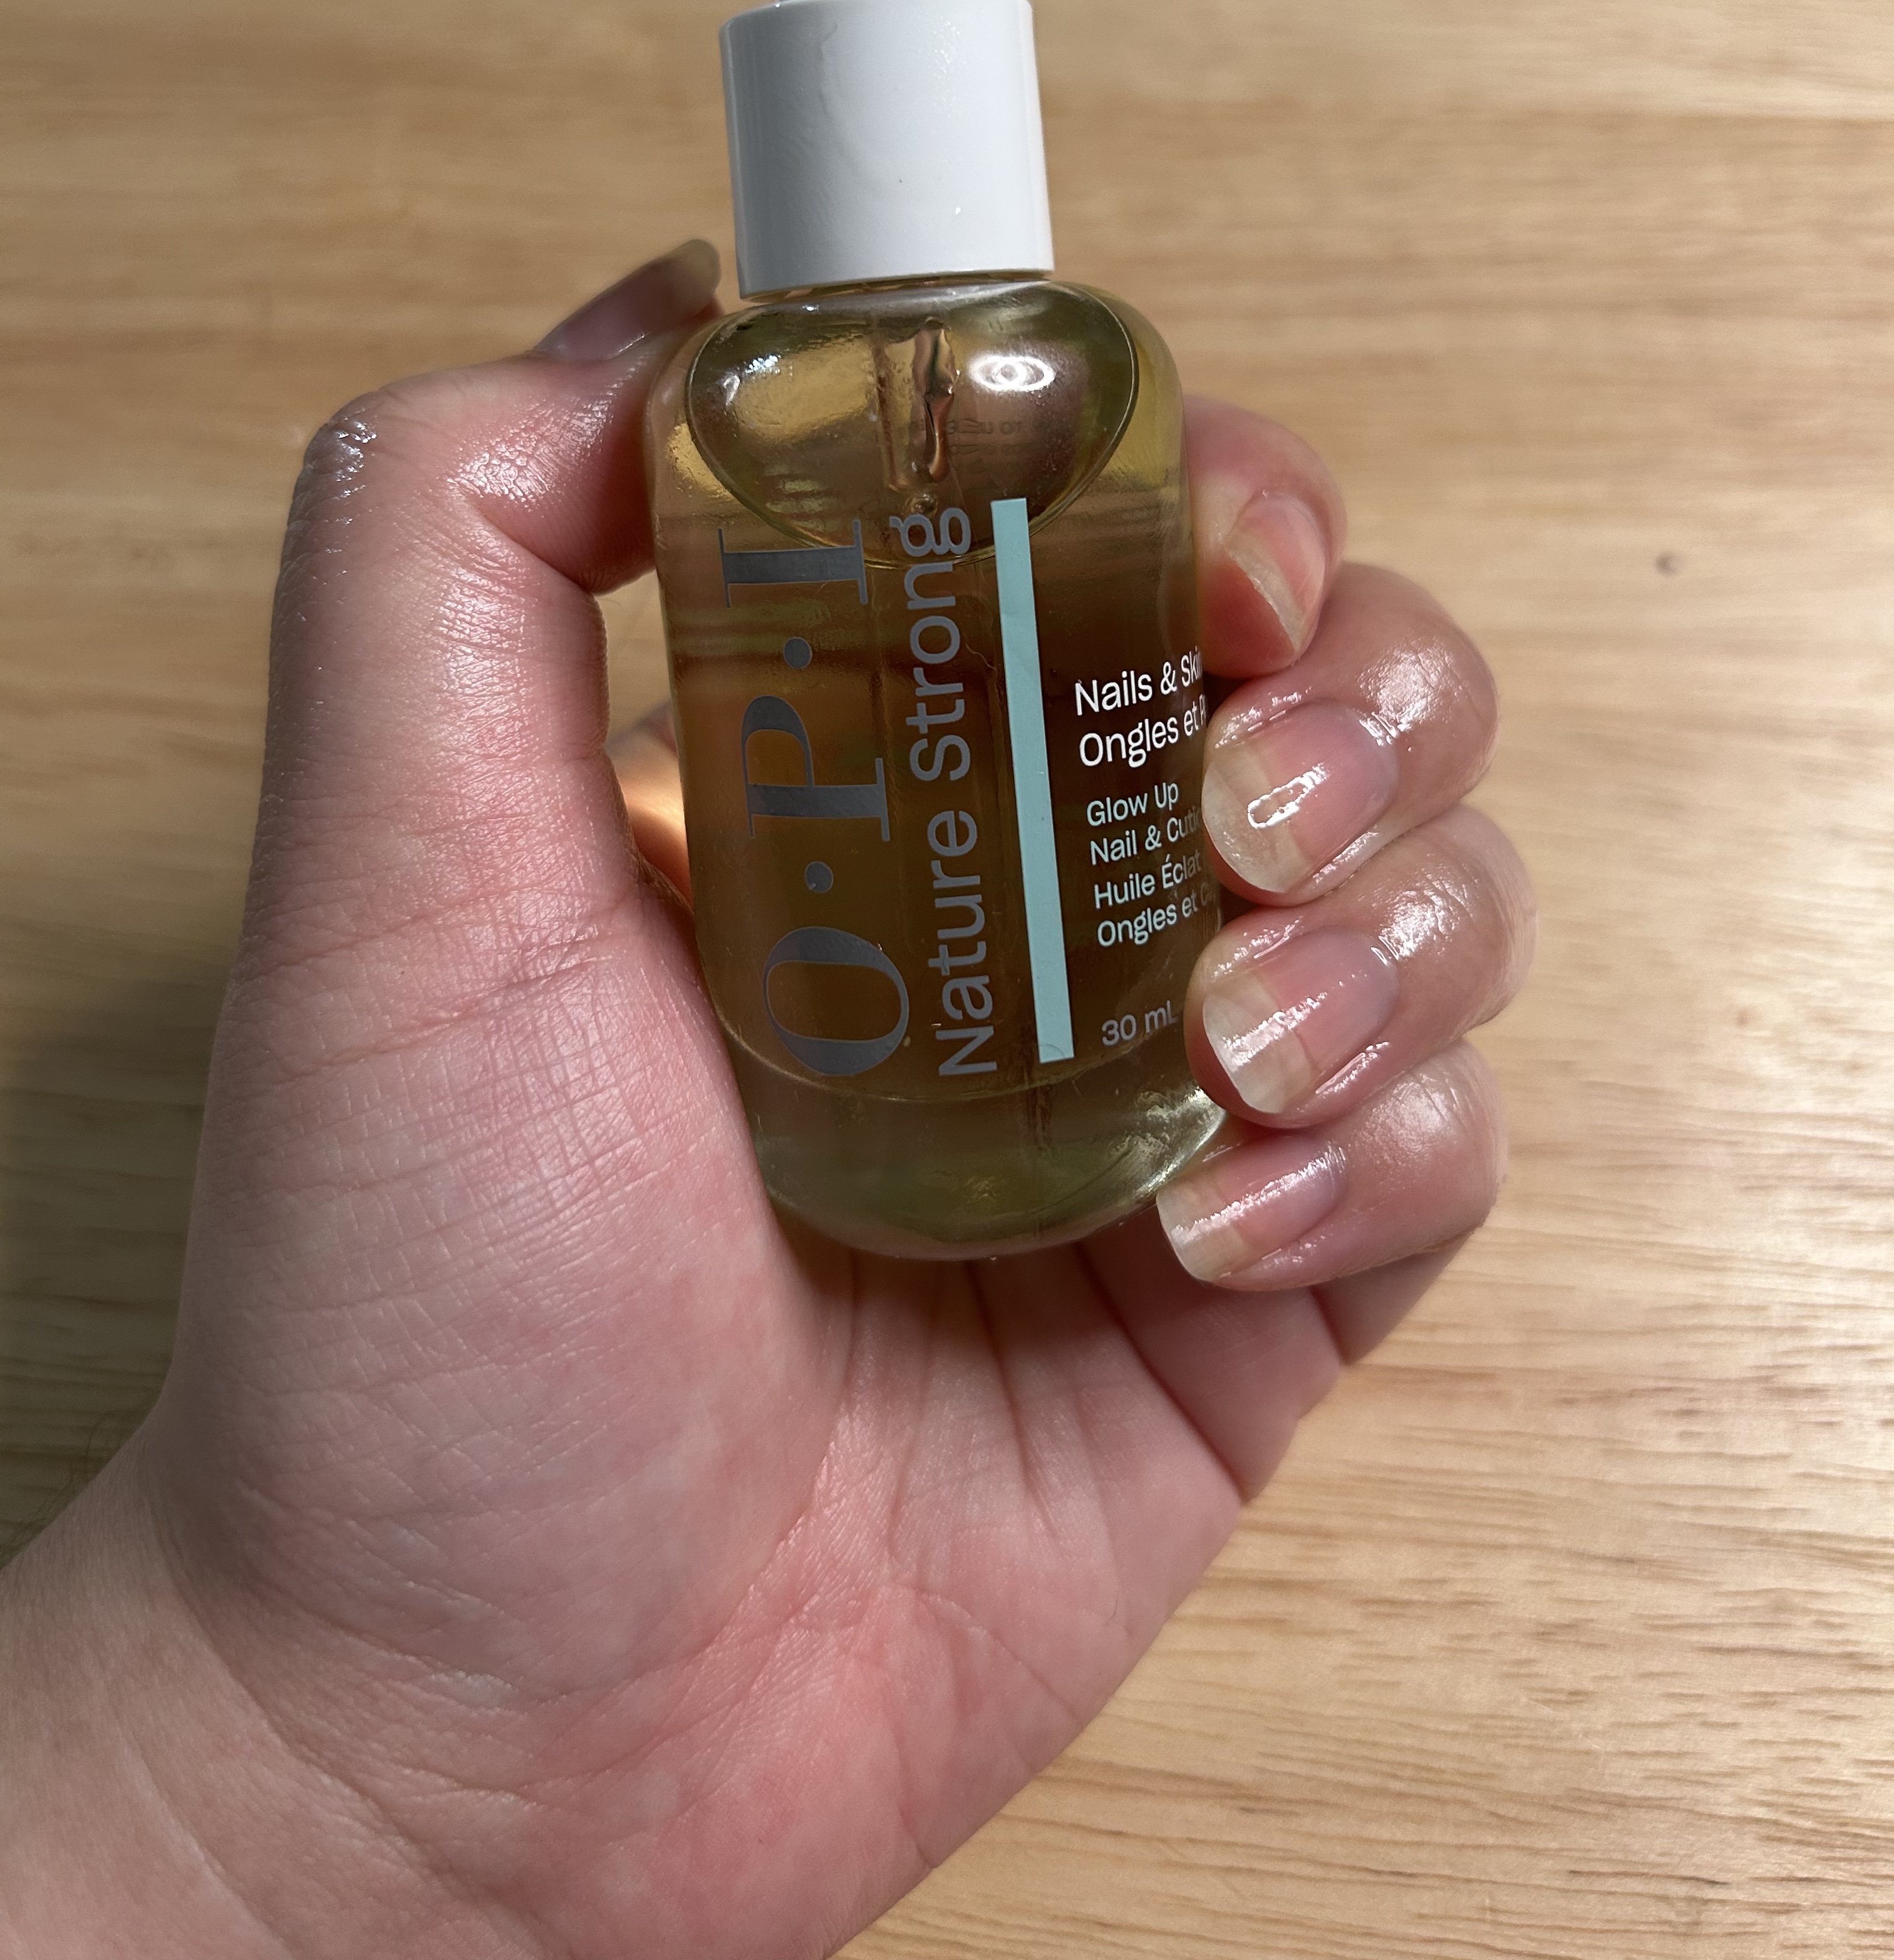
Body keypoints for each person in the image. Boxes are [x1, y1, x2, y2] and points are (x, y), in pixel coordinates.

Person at [0, 244, 1533, 1957]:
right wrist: (328, 1742)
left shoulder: (1056, 366)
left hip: (1099, 1203)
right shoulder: (728, 408)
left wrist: (290, 1780)